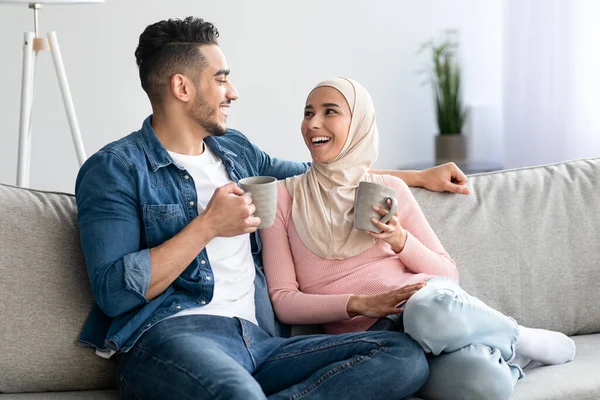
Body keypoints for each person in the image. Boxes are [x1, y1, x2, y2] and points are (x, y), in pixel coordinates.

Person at [74, 17, 471, 400]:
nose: (233, 92)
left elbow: (323, 172)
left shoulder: (237, 152)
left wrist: (420, 177)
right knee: (237, 394)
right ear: (182, 87)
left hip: (261, 342)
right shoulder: (116, 169)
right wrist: (207, 226)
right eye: (221, 78)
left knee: (403, 358)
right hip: (172, 338)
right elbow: (113, 292)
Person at [260, 77, 577, 400]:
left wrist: (399, 239)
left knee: (425, 313)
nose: (314, 123)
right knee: (487, 385)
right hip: (381, 343)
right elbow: (285, 301)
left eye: (330, 112)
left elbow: (447, 273)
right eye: (308, 113)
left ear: (359, 123)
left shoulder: (389, 189)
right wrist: (361, 305)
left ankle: (518, 336)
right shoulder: (283, 198)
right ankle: (511, 353)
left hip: (427, 306)